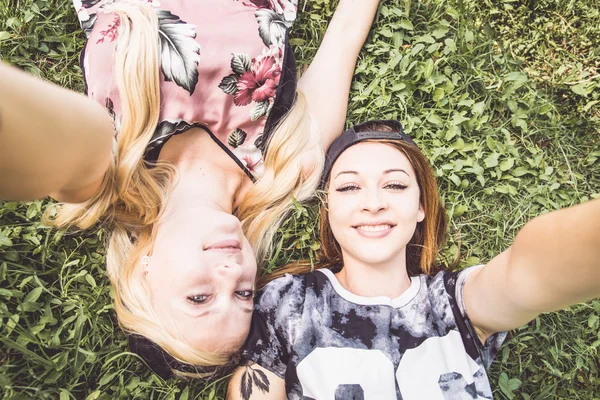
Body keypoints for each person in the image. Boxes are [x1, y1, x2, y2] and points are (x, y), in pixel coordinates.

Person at [0, 0, 382, 377]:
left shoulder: (101, 174)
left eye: (199, 298)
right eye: (244, 295)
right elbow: (346, 30)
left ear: (143, 278)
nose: (232, 274)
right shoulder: (290, 167)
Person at [228, 120, 600, 399]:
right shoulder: (290, 302)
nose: (373, 203)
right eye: (348, 186)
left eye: (394, 184)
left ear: (420, 207)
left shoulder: (455, 304)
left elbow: (530, 270)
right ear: (328, 211)